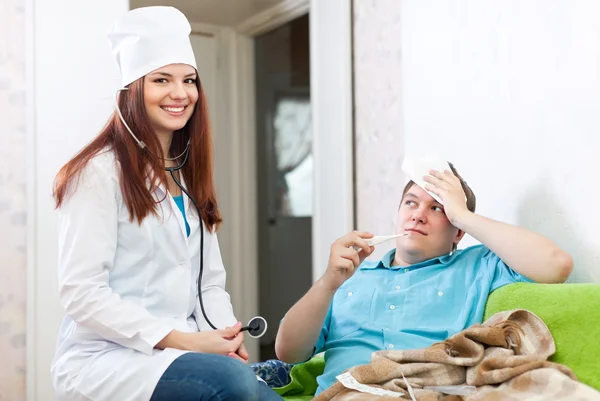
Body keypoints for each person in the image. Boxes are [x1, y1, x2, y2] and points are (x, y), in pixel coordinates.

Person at [50, 6, 283, 401]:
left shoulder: (187, 176)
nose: (180, 93)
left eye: (189, 80)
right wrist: (182, 341)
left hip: (182, 350)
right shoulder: (97, 174)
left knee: (261, 390)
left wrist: (226, 339)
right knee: (233, 385)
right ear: (132, 90)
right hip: (108, 359)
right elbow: (81, 292)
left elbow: (208, 284)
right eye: (162, 80)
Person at [275, 162, 573, 395]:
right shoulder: (349, 276)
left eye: (437, 208)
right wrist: (328, 282)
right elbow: (288, 352)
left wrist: (464, 214)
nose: (418, 215)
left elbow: (557, 265)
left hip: (426, 390)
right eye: (410, 203)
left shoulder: (477, 266)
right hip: (351, 392)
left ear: (457, 231)